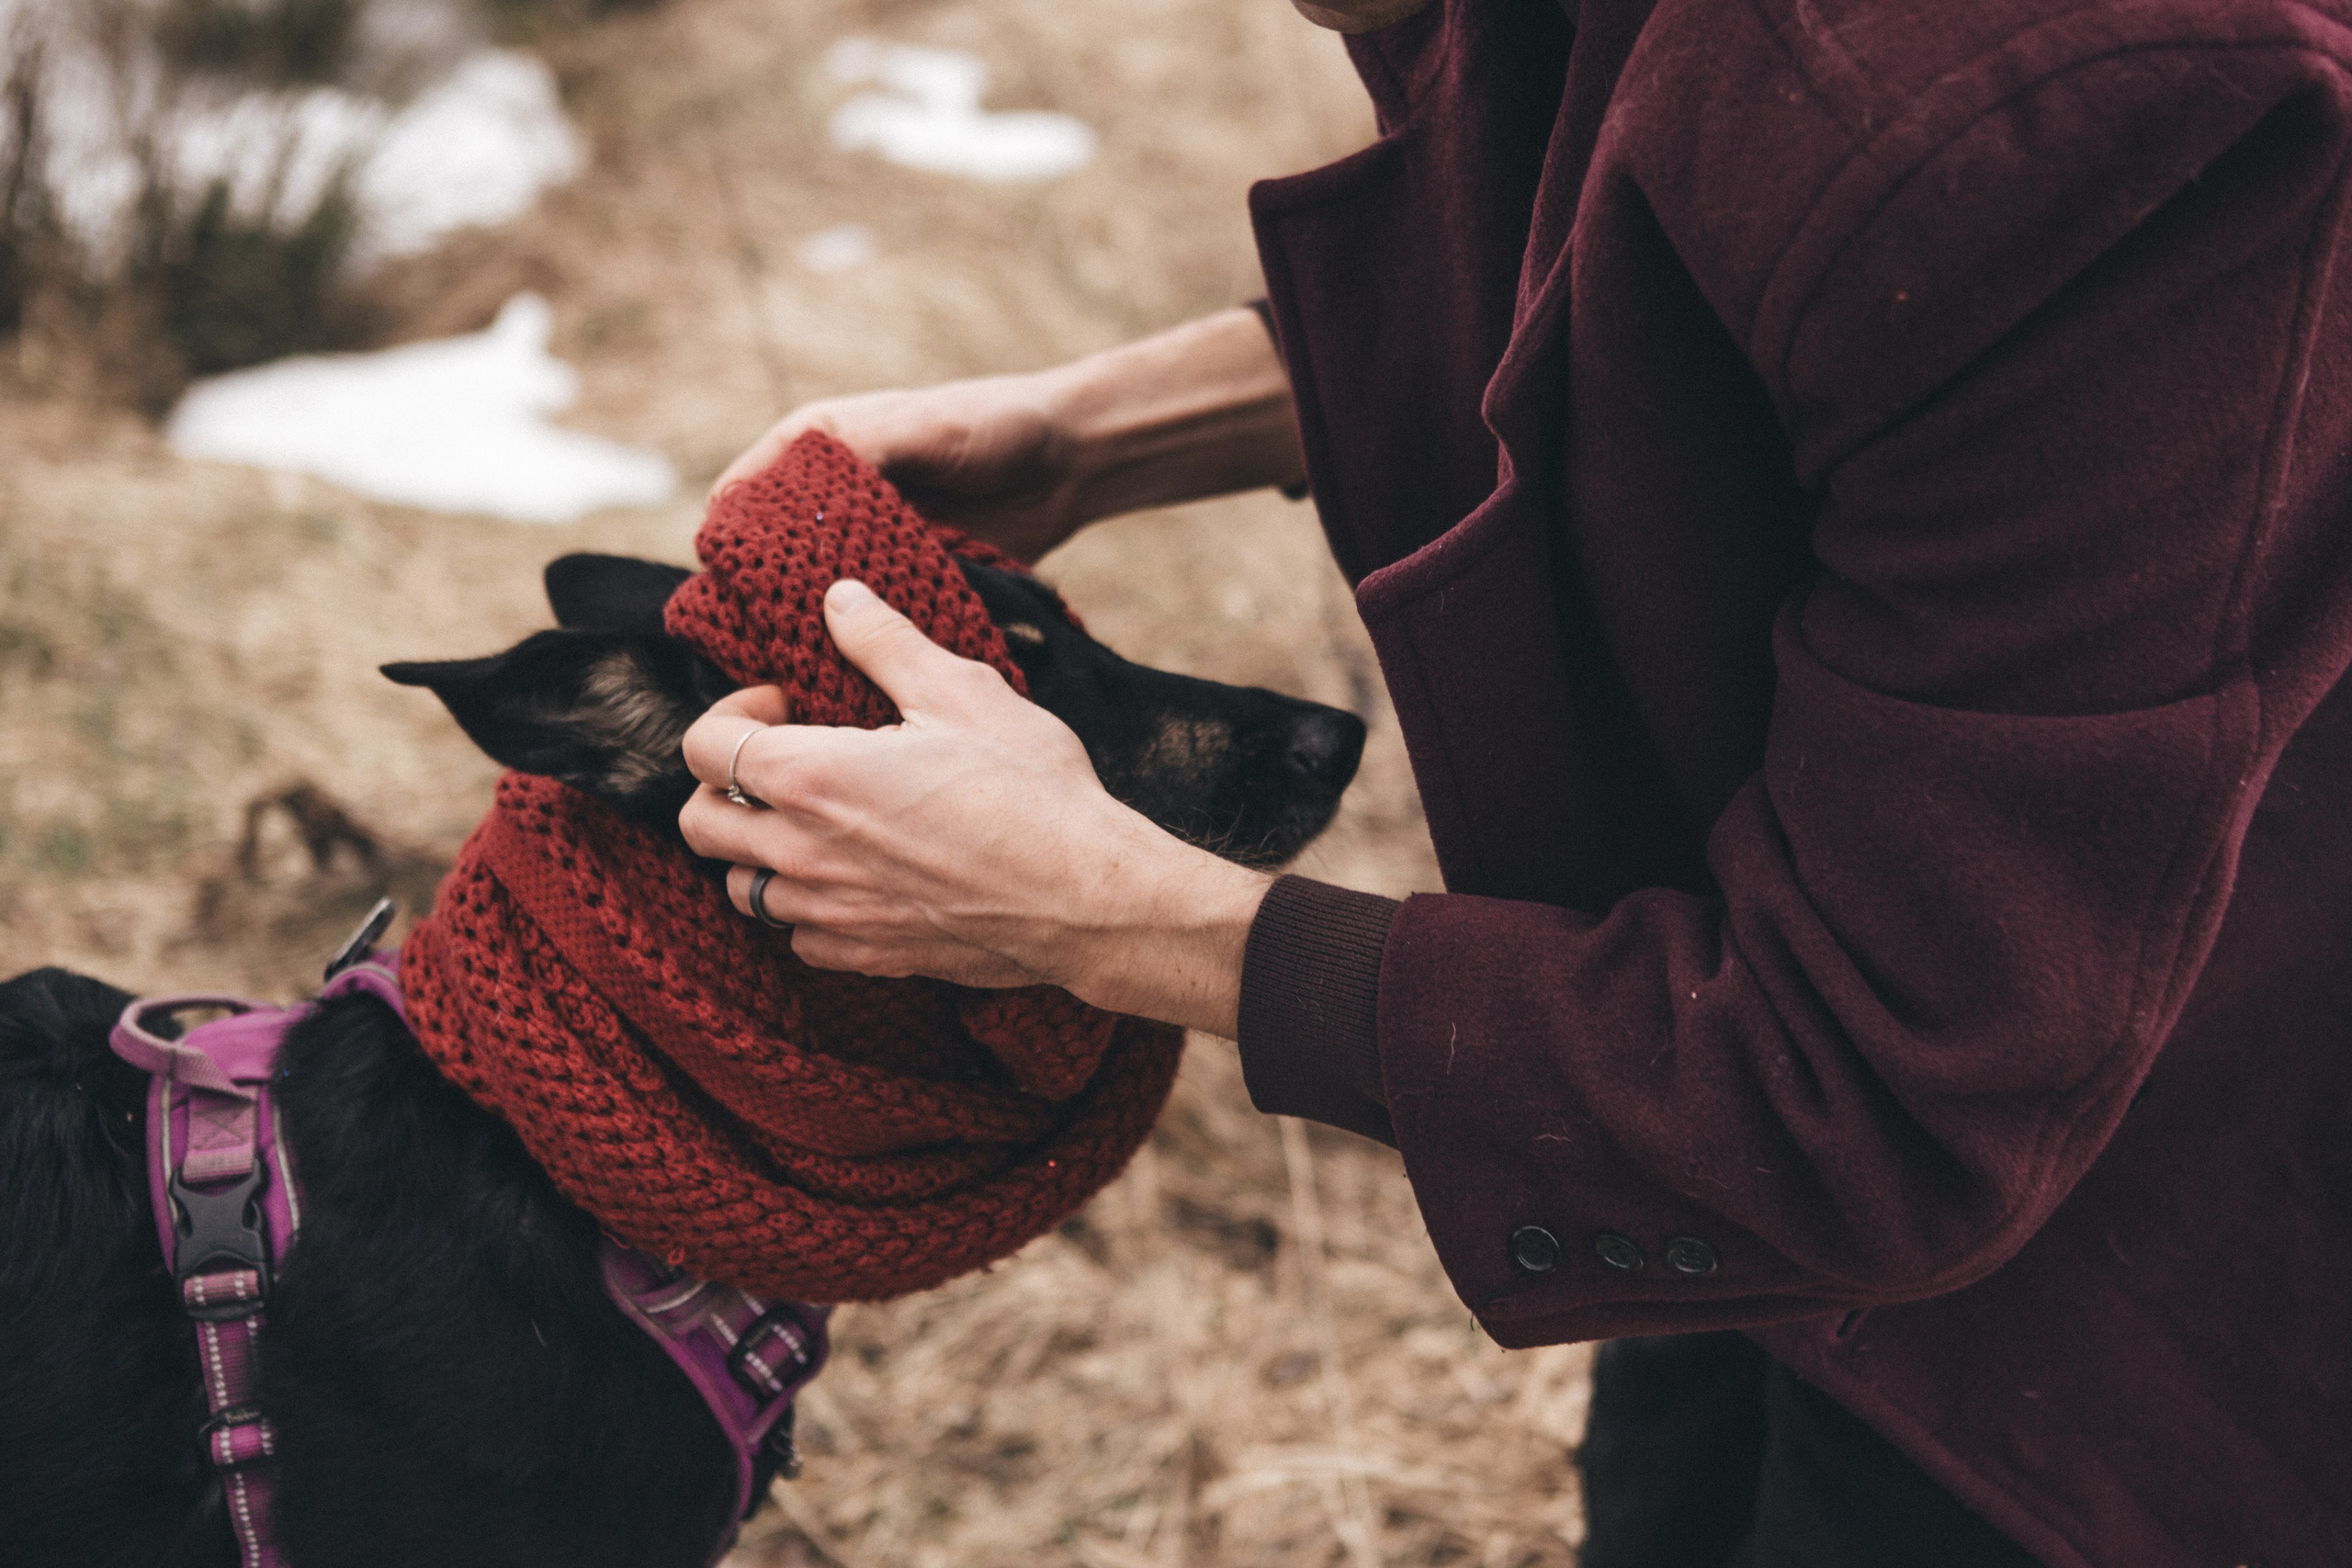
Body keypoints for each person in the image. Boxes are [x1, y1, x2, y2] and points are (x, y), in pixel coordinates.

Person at [675, 0, 2352, 1562]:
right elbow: (1644, 253)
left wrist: (1099, 909)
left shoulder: (2067, 107)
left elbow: (1872, 1101)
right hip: (1743, 1075)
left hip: (2163, 1222)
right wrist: (1101, 433)